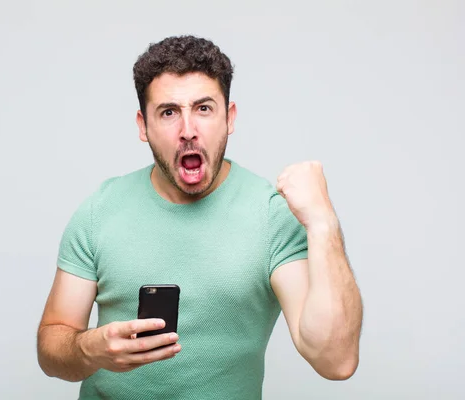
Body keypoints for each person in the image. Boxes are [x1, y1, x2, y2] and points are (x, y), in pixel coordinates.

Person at [36, 35, 363, 400]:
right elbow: (51, 347)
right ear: (143, 126)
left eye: (204, 109)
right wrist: (87, 349)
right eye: (169, 112)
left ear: (229, 118)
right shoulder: (100, 210)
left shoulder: (272, 215)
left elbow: (336, 361)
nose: (188, 130)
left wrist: (324, 223)